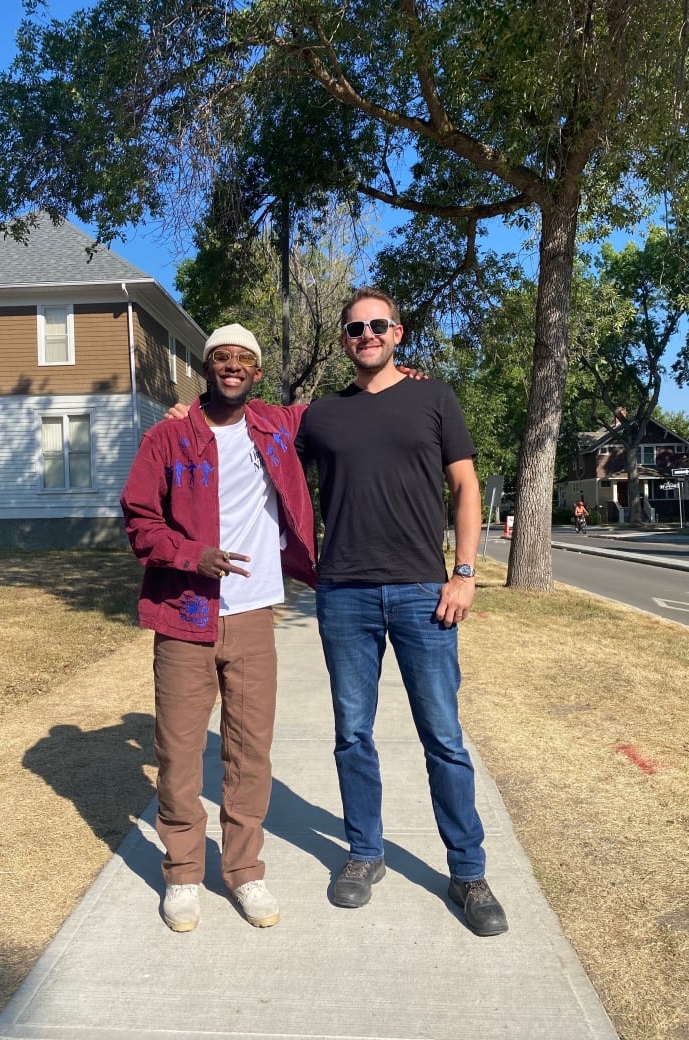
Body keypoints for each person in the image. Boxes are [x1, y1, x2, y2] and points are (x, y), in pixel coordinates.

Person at [295, 287, 508, 936]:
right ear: (344, 340)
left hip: (423, 592)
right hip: (345, 595)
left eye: (378, 324)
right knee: (353, 733)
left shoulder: (433, 398)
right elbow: (264, 455)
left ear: (398, 333)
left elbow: (466, 486)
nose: (367, 333)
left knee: (442, 737)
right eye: (355, 326)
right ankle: (365, 854)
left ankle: (467, 872)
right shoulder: (321, 417)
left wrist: (465, 573)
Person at [120, 323, 316, 932]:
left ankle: (245, 872)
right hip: (185, 612)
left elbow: (347, 412)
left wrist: (397, 378)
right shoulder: (170, 436)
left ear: (257, 374)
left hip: (254, 616)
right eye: (221, 358)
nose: (232, 366)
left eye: (244, 360)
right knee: (179, 752)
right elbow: (138, 519)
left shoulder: (277, 426)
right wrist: (190, 554)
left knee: (249, 751)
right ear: (206, 368)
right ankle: (182, 873)